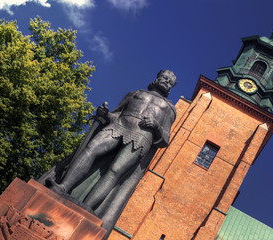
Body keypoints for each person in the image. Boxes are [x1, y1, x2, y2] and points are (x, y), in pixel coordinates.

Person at [44, 70, 177, 214]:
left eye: (170, 82)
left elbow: (165, 139)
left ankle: (87, 206)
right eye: (165, 78)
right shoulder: (134, 93)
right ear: (157, 78)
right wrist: (105, 114)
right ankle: (63, 186)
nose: (167, 82)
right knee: (91, 149)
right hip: (120, 124)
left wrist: (157, 126)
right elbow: (115, 114)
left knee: (115, 170)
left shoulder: (170, 109)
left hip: (142, 136)